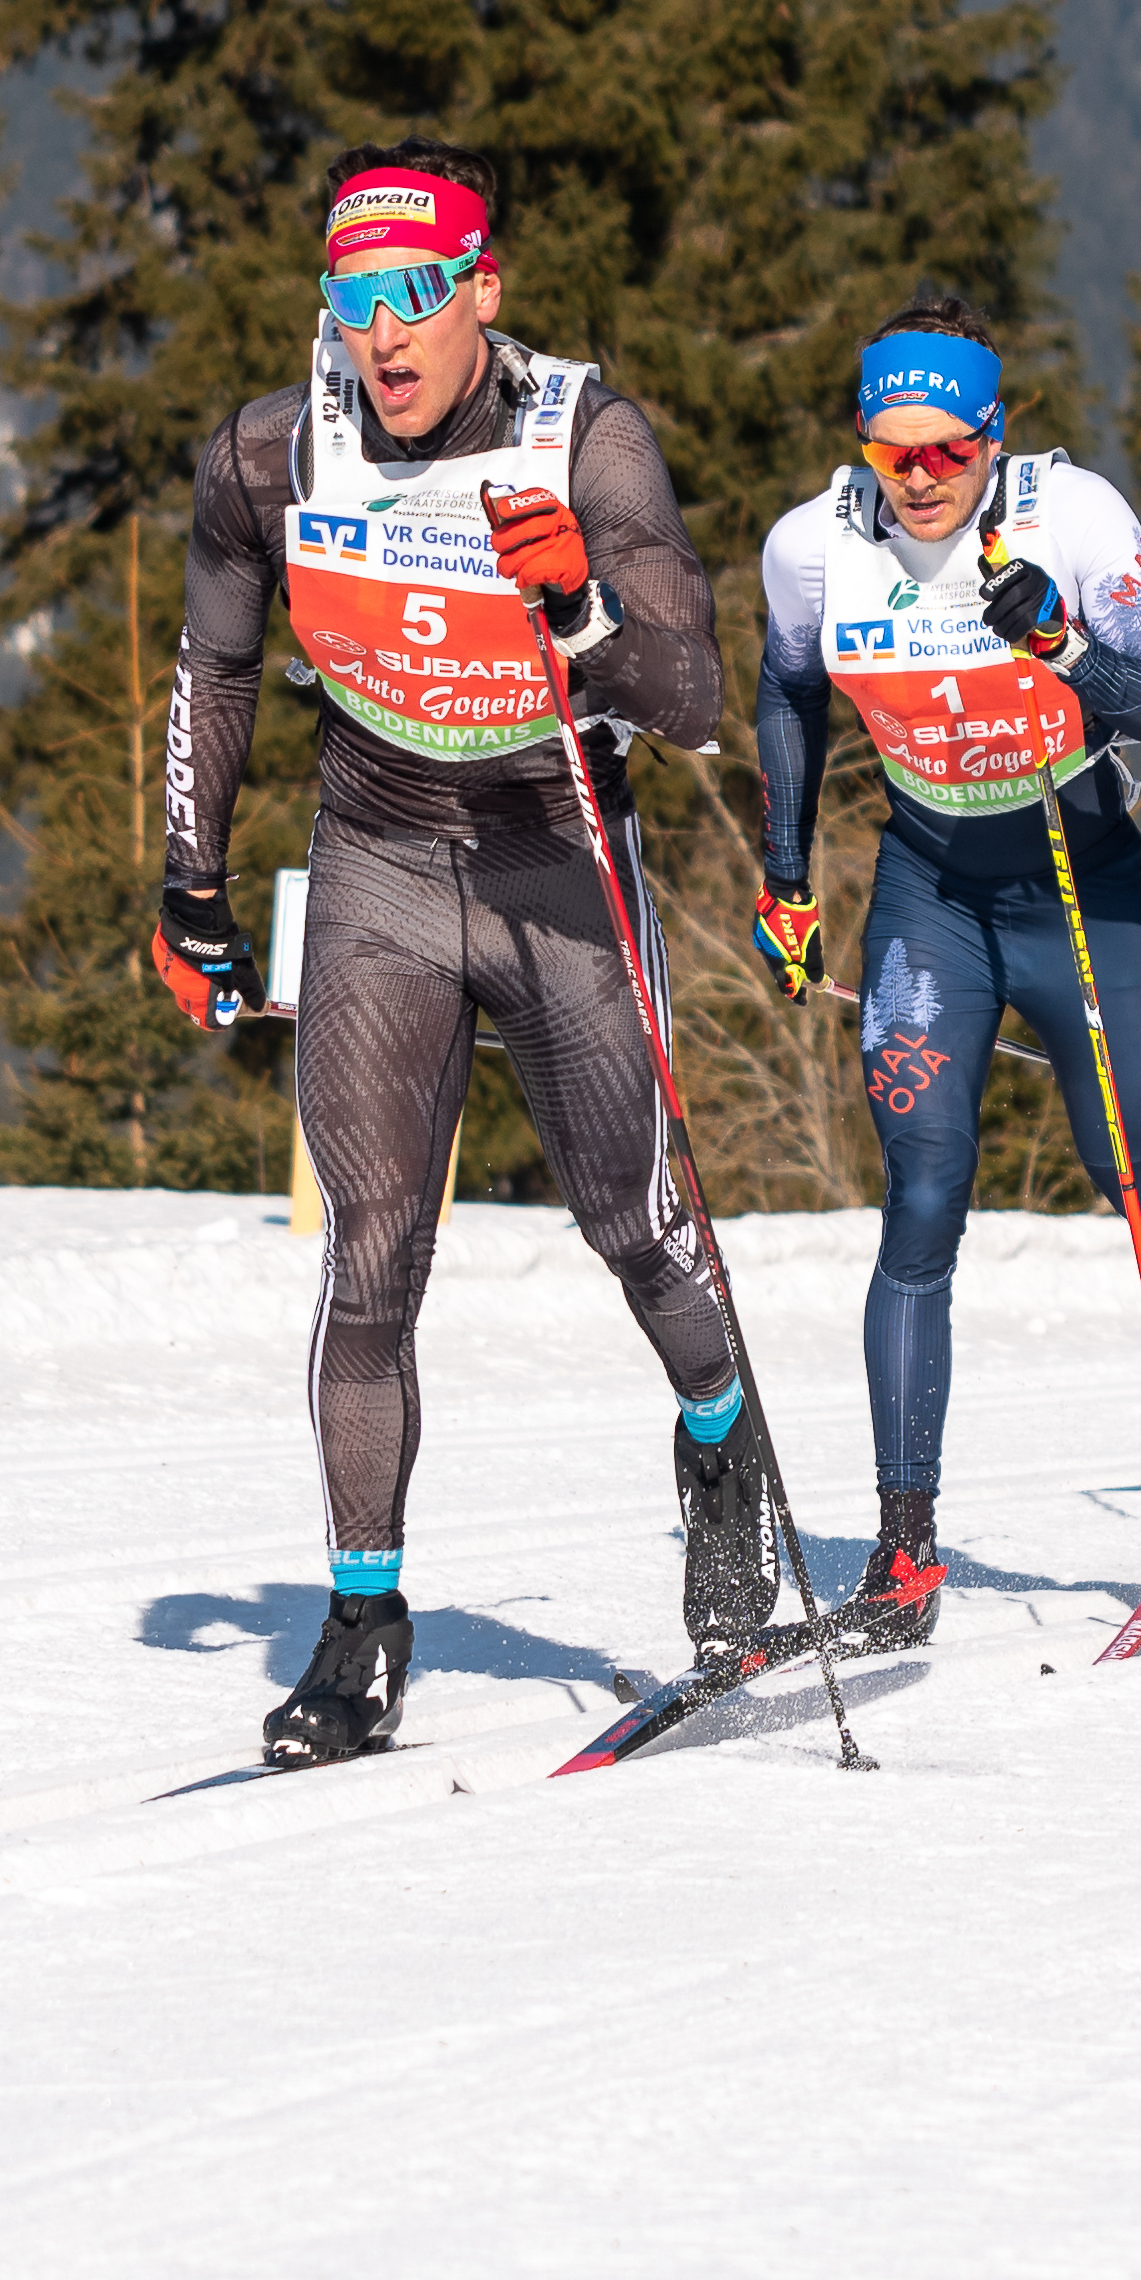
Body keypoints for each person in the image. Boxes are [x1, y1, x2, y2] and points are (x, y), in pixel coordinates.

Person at [152, 144, 776, 1767]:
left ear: (482, 293)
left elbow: (698, 699)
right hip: (377, 853)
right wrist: (188, 883)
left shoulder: (587, 433)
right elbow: (215, 668)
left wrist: (581, 613)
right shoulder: (272, 454)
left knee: (629, 1228)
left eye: (416, 295)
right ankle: (363, 1627)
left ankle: (722, 1449)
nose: (385, 333)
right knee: (370, 1252)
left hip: (555, 859)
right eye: (354, 302)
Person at [743, 311, 1141, 1647]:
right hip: (929, 888)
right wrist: (784, 876)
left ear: (995, 435)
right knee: (921, 1193)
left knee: (1128, 1161)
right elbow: (787, 694)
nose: (920, 477)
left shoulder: (1071, 517)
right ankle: (904, 1552)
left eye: (949, 449)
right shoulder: (814, 546)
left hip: (1076, 873)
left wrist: (1068, 647)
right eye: (893, 450)